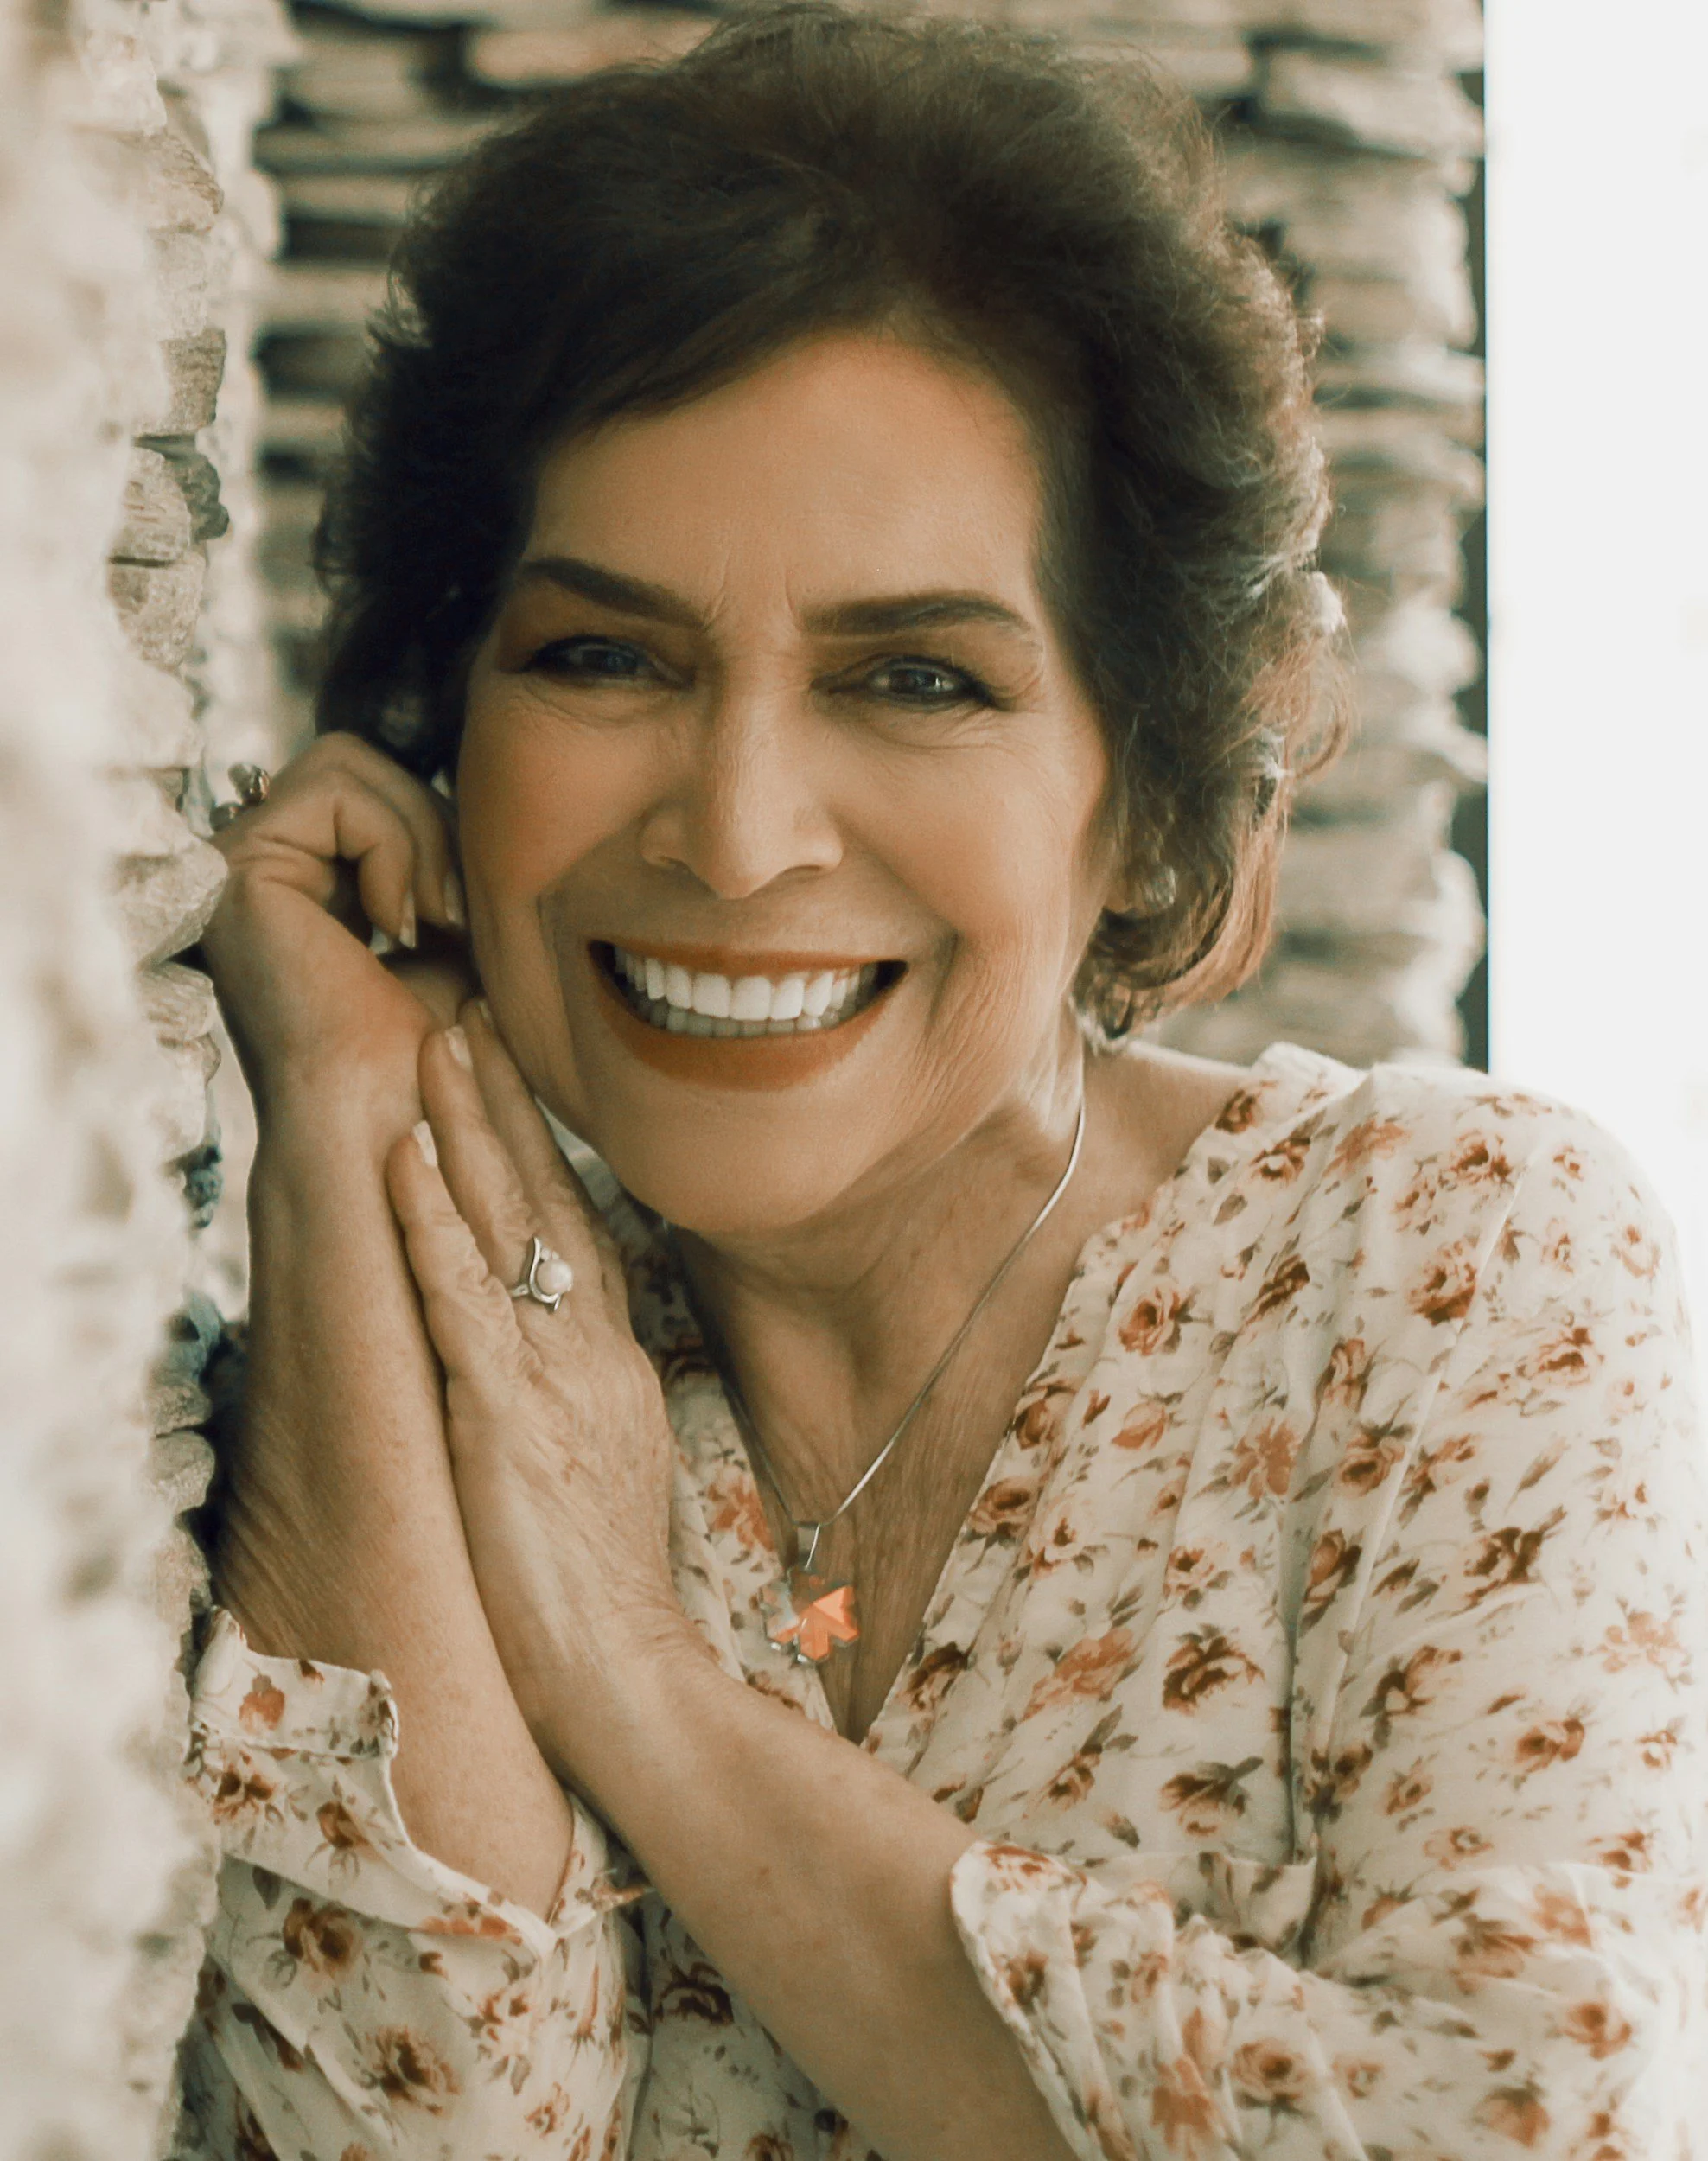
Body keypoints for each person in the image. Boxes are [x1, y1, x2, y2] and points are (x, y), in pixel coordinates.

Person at [181, 7, 1707, 2157]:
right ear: (446, 724)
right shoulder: (424, 1330)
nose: (734, 828)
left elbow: (1497, 2123)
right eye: (603, 655)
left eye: (916, 677)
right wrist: (347, 1132)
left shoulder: (1442, 1263)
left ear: (1153, 807)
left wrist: (634, 1667)